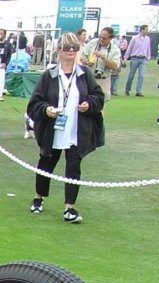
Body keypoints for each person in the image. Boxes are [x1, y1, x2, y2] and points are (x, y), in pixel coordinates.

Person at [26, 32, 105, 224]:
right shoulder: (50, 75)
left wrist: (89, 104)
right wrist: (47, 110)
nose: (71, 51)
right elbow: (35, 103)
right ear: (59, 50)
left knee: (74, 167)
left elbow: (98, 97)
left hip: (76, 129)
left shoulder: (84, 74)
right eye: (67, 48)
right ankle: (38, 198)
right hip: (53, 129)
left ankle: (69, 208)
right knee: (46, 163)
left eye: (75, 48)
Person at [83, 26, 120, 101]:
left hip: (103, 80)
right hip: (89, 79)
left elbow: (115, 66)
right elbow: (82, 56)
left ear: (110, 38)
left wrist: (103, 57)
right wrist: (86, 61)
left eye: (104, 38)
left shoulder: (115, 50)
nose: (101, 39)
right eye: (100, 37)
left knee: (101, 105)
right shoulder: (92, 43)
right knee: (85, 102)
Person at [124, 25, 151, 96]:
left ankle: (138, 91)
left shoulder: (148, 39)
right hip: (135, 58)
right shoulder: (135, 38)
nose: (147, 31)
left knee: (141, 76)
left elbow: (148, 48)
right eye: (145, 29)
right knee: (131, 75)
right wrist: (125, 58)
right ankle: (127, 89)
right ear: (142, 30)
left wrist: (148, 56)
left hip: (143, 59)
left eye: (147, 29)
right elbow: (130, 48)